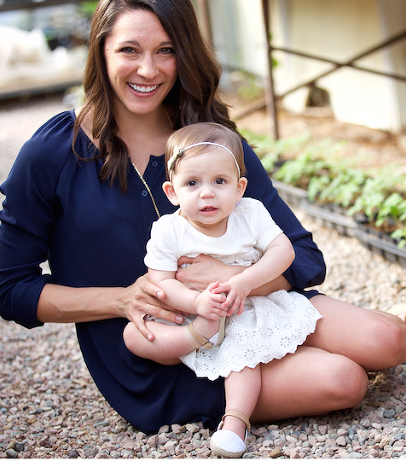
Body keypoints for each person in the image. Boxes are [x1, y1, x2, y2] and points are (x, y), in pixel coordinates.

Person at [0, 0, 406, 436]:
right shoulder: (54, 152)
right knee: (343, 381)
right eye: (129, 50)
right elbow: (13, 290)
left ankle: (401, 328)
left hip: (251, 310)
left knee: (386, 342)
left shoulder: (210, 146)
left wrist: (228, 287)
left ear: (185, 55)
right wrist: (122, 300)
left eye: (166, 51)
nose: (148, 69)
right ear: (100, 51)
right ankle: (356, 345)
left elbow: (304, 257)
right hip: (158, 353)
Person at [124, 122, 324, 456]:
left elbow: (284, 251)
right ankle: (196, 338)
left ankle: (235, 422)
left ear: (239, 187)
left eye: (220, 181)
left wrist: (243, 282)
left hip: (240, 308)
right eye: (192, 182)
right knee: (133, 335)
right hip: (191, 314)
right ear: (172, 192)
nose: (207, 192)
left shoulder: (250, 213)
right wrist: (196, 302)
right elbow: (160, 281)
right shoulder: (168, 230)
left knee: (241, 353)